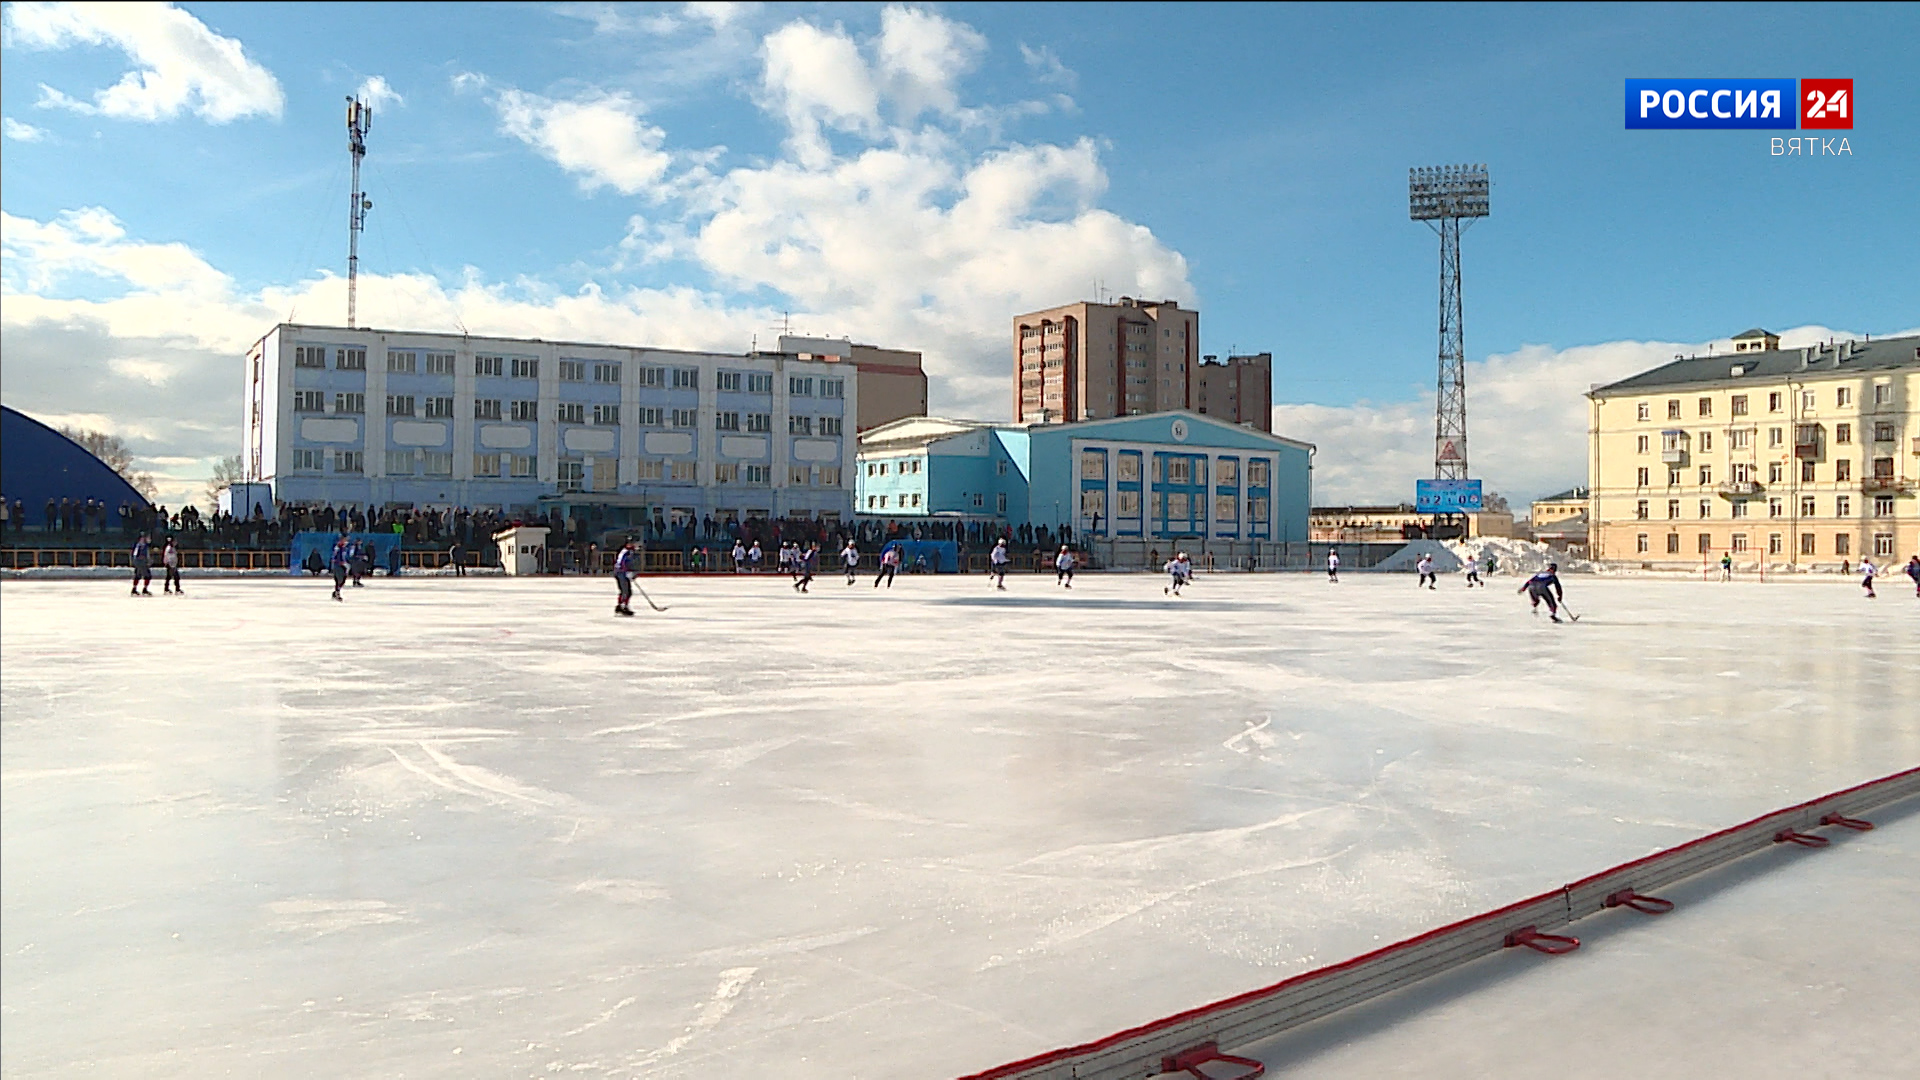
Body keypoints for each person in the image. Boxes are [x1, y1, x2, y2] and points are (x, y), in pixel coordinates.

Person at [612, 538, 640, 616]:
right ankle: (622, 607)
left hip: (624, 573)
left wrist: (633, 572)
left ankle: (622, 606)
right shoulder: (625, 552)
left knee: (628, 592)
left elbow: (632, 563)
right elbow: (620, 563)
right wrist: (626, 571)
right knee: (625, 591)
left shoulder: (631, 552)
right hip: (621, 573)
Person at [329, 534, 351, 601]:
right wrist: (338, 562)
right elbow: (334, 556)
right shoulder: (337, 547)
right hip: (338, 565)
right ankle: (337, 593)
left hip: (343, 565)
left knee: (343, 580)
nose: (346, 541)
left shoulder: (345, 547)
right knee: (339, 580)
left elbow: (345, 556)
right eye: (345, 540)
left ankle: (336, 592)